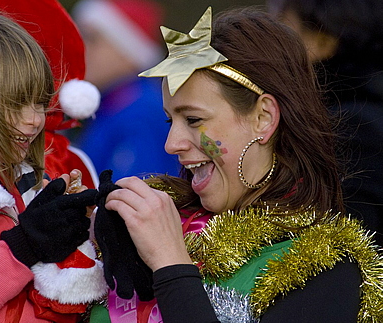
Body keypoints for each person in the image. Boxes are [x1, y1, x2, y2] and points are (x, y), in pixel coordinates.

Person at [92, 7, 383, 323]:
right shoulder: (155, 224)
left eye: (193, 119)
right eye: (170, 119)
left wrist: (170, 263)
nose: (171, 144)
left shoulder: (326, 267)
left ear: (263, 118)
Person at [0, 10, 106, 322]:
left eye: (39, 102)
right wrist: (23, 246)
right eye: (15, 103)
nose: (35, 119)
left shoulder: (21, 180)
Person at [266, 0, 383, 247]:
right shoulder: (360, 109)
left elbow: (340, 253)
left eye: (282, 32)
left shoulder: (352, 127)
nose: (270, 49)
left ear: (322, 42)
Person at [71, 0, 179, 180]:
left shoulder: (141, 114)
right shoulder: (113, 105)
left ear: (128, 50)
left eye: (92, 38)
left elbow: (129, 199)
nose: (81, 47)